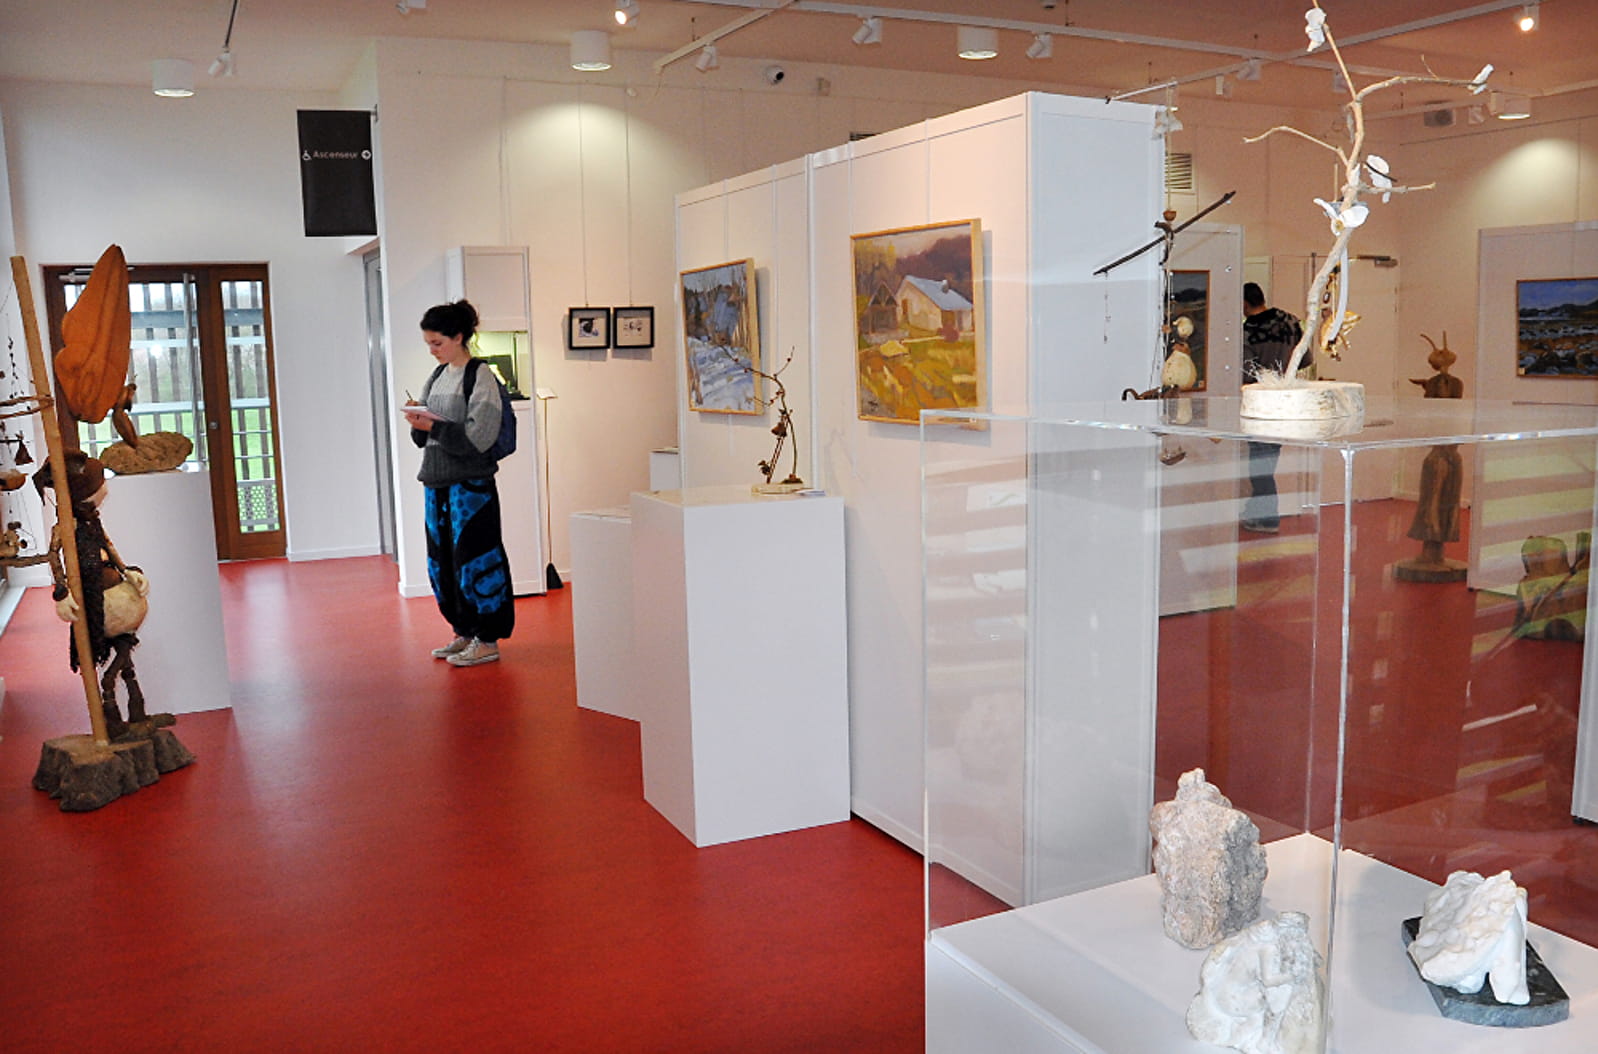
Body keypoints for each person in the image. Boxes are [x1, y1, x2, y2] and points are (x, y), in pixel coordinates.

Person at [405, 300, 514, 666]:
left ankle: (487, 638)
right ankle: (464, 631)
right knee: (443, 562)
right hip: (436, 483)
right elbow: (425, 437)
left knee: (475, 557)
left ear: (458, 336)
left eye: (437, 343)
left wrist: (431, 426)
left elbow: (479, 438)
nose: (432, 350)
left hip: (471, 488)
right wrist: (419, 422)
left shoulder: (480, 376)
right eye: (428, 343)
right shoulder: (438, 375)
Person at [1240, 283, 1306, 534]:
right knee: (1268, 460)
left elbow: (1246, 371)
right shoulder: (1290, 321)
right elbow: (1304, 358)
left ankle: (1268, 517)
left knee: (1259, 465)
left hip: (1260, 403)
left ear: (1245, 303)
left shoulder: (1249, 330)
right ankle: (1257, 512)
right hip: (1285, 401)